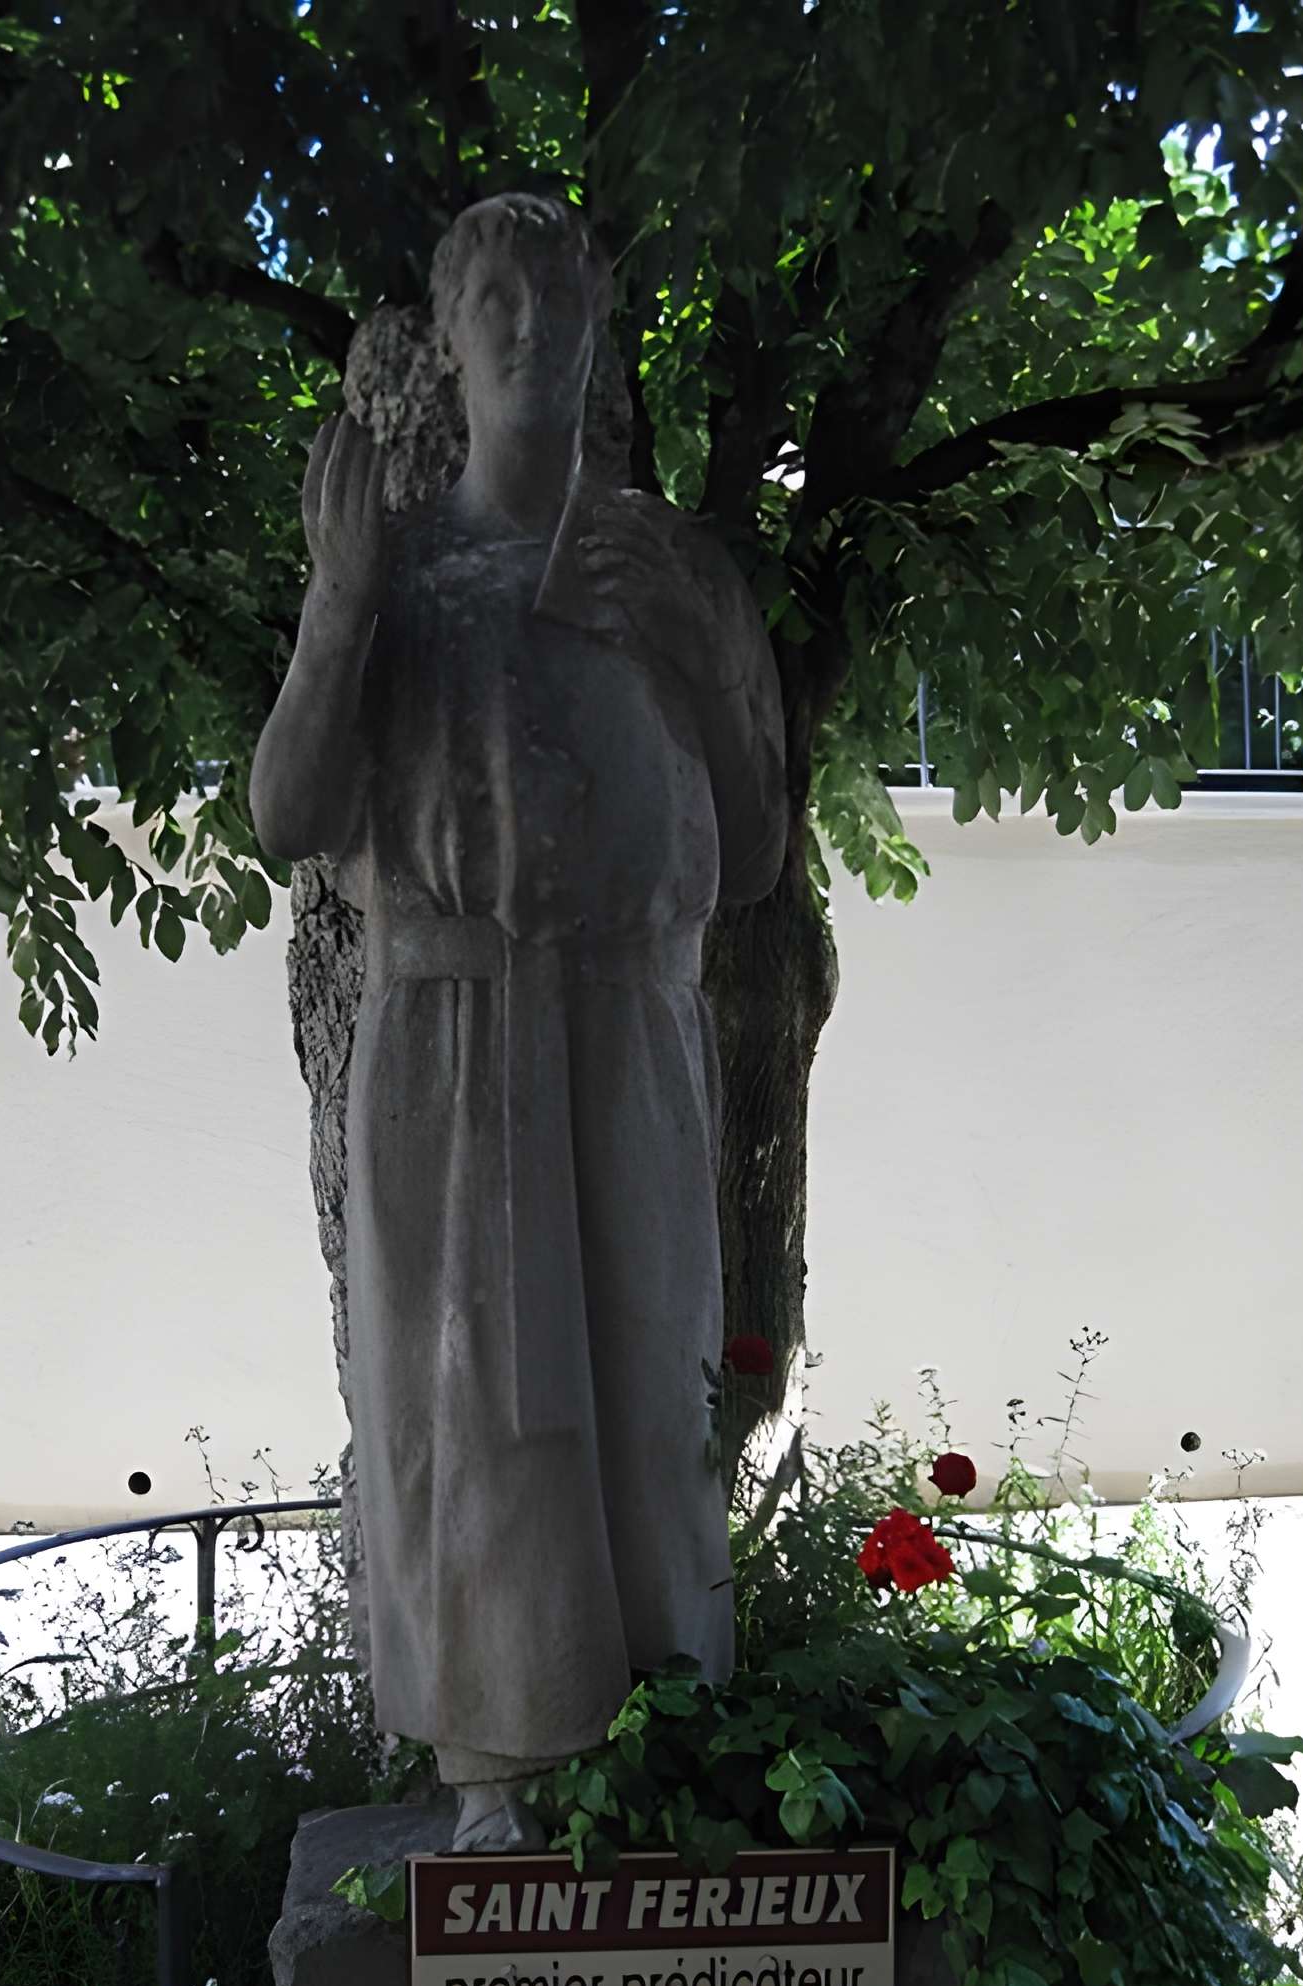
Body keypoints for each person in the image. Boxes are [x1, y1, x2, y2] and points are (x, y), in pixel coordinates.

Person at [250, 194, 786, 1850]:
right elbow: (283, 815)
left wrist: (708, 661)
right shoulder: (398, 573)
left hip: (633, 1035)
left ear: (598, 332)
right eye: (494, 299)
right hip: (452, 1044)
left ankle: (659, 1752)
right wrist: (336, 609)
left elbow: (756, 852)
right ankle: (496, 1767)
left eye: (558, 300)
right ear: (449, 335)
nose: (528, 330)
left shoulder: (674, 565)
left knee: (646, 1393)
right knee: (475, 1409)